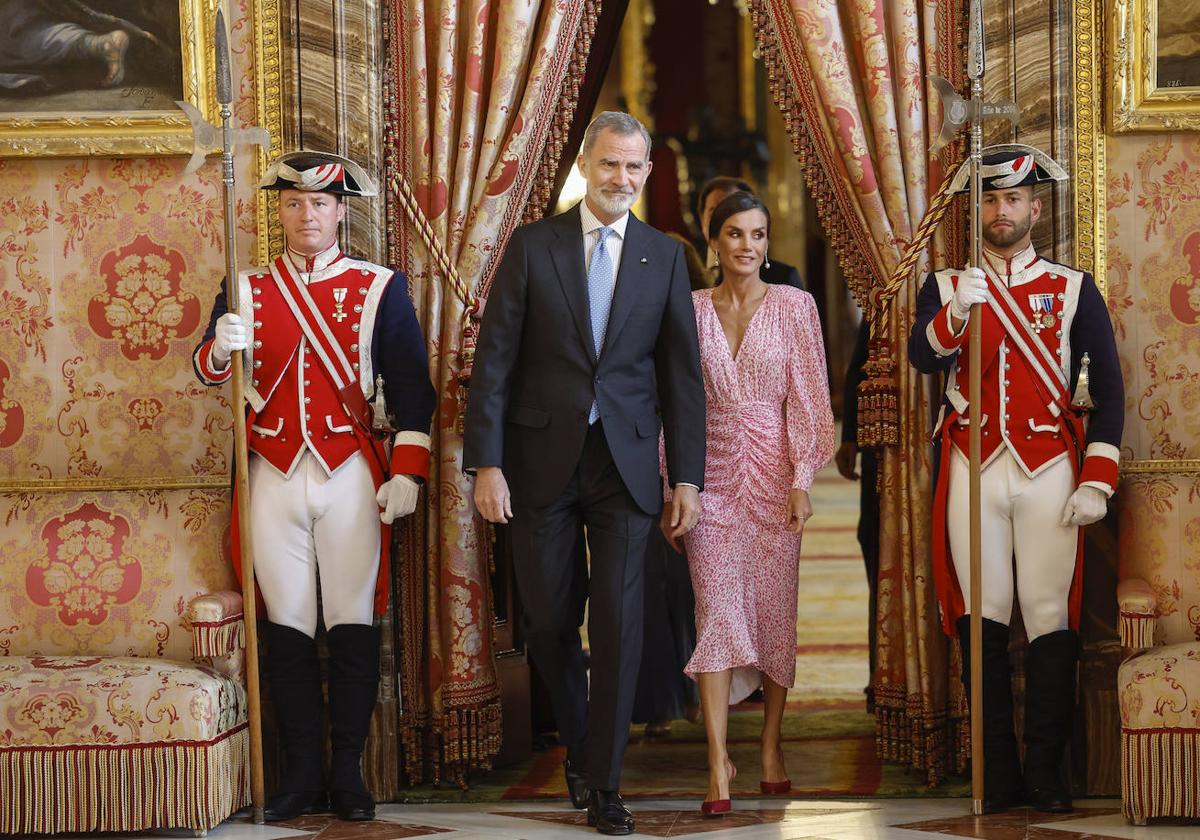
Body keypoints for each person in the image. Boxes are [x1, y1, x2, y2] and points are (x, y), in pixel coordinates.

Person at [463, 111, 706, 837]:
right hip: (539, 464)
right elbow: (494, 363)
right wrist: (487, 463)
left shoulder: (663, 256)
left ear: (646, 174)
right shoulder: (534, 247)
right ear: (586, 166)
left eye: (634, 168)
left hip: (627, 466)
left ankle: (604, 782)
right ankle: (580, 740)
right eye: (610, 165)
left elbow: (682, 378)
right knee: (546, 621)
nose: (621, 180)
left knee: (622, 625)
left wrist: (686, 478)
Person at [193, 151, 436, 823]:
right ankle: (300, 773)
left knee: (353, 623)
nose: (308, 215)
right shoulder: (245, 287)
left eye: (321, 204)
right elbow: (205, 371)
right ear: (280, 212)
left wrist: (408, 472)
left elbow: (413, 389)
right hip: (271, 473)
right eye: (295, 204)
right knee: (289, 627)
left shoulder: (381, 286)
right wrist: (220, 344)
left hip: (351, 475)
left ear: (340, 213)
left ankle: (348, 773)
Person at [907, 145, 1123, 814]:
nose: (1002, 211)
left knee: (1049, 614)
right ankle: (996, 776)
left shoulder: (1072, 287)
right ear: (981, 210)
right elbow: (921, 355)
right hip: (973, 467)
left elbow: (1110, 388)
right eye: (991, 200)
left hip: (1052, 473)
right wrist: (957, 315)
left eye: (1014, 200)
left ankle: (1048, 776)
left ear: (1036, 208)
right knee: (984, 619)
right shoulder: (947, 285)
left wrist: (1099, 478)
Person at [678, 190, 834, 817]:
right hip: (709, 485)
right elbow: (675, 405)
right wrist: (676, 486)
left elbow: (811, 401)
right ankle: (717, 761)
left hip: (775, 485)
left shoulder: (795, 306)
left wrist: (803, 478)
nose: (748, 246)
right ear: (714, 241)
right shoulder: (687, 311)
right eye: (736, 234)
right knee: (716, 613)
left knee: (773, 620)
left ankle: (769, 744)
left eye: (759, 234)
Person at [632, 233, 709, 737]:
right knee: (647, 589)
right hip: (639, 460)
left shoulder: (703, 316)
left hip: (695, 465)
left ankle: (701, 693)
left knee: (691, 586)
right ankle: (658, 702)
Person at [834, 318, 880, 710]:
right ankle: (880, 674)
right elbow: (859, 367)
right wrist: (850, 436)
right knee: (878, 551)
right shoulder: (887, 293)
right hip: (881, 451)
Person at [696, 176, 804, 291]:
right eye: (714, 210)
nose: (723, 219)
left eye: (734, 210)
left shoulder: (784, 278)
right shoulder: (684, 271)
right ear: (702, 219)